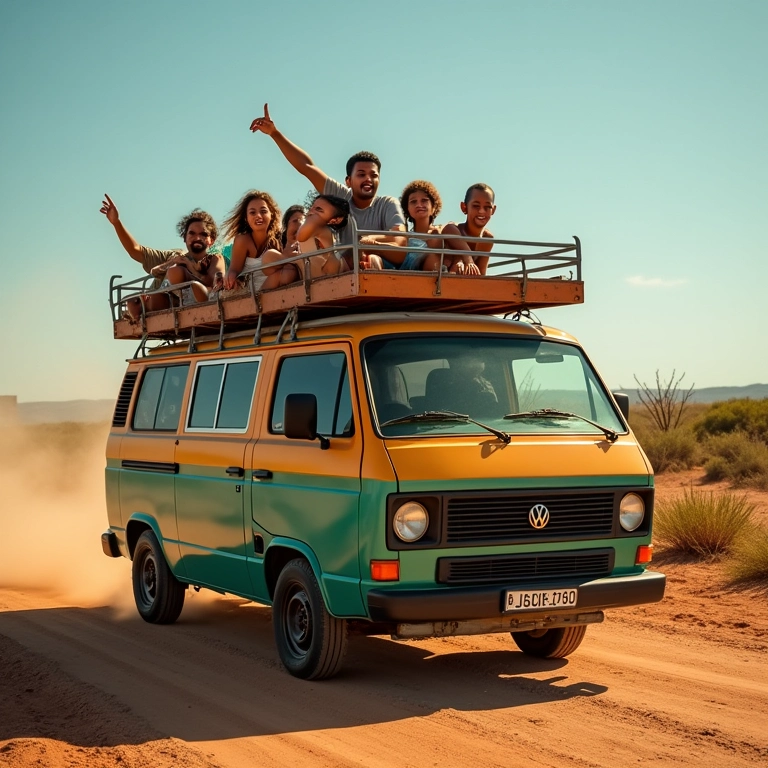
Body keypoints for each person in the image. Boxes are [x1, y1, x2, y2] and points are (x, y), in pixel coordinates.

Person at [250, 103, 406, 270]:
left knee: (372, 258)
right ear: (348, 181)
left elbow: (400, 247)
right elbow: (307, 167)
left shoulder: (387, 204)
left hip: (380, 270)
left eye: (374, 175)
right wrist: (275, 134)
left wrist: (367, 243)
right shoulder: (339, 198)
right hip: (342, 269)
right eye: (361, 174)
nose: (368, 179)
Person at [99, 194, 224, 317]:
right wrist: (116, 223)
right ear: (184, 238)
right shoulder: (174, 255)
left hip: (188, 302)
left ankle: (158, 305)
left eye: (203, 234)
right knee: (133, 299)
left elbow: (215, 284)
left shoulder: (214, 259)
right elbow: (135, 250)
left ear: (211, 240)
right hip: (161, 300)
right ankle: (143, 308)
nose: (197, 238)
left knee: (177, 274)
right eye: (192, 233)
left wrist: (190, 268)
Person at [262, 195, 350, 289]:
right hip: (312, 268)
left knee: (283, 270)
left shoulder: (321, 227)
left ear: (335, 220)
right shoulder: (317, 231)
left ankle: (255, 300)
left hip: (323, 270)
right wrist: (289, 256)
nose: (311, 211)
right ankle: (256, 298)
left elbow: (301, 236)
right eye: (312, 207)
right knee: (270, 257)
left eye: (319, 209)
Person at [219, 190, 282, 292]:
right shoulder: (242, 240)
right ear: (246, 218)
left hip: (271, 295)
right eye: (252, 212)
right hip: (246, 296)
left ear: (272, 214)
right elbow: (234, 269)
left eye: (263, 211)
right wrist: (231, 275)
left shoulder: (277, 241)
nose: (258, 215)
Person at [430, 183, 497, 276]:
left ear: (493, 210)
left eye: (487, 207)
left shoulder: (487, 239)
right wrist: (468, 259)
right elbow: (448, 229)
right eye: (476, 206)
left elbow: (481, 273)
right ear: (464, 207)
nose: (481, 211)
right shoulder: (454, 229)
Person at [399, 180, 444, 271]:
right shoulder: (404, 237)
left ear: (433, 207)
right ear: (407, 209)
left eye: (424, 200)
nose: (419, 205)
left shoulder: (441, 233)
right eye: (413, 201)